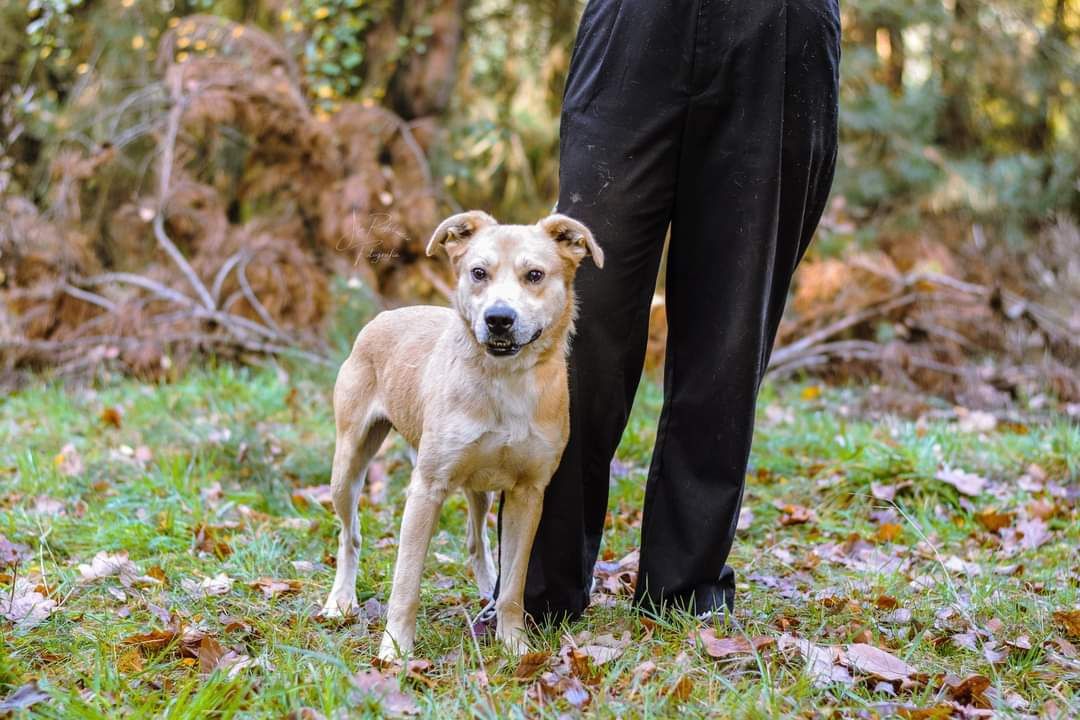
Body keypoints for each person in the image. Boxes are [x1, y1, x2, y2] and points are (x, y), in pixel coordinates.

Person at [499, 0, 841, 623]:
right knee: (579, 314)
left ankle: (683, 592)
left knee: (729, 331)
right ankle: (536, 590)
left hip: (780, 31)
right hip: (637, 25)